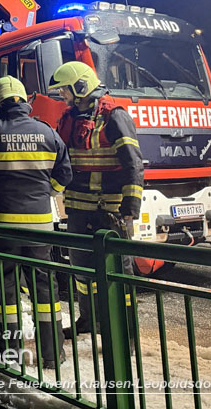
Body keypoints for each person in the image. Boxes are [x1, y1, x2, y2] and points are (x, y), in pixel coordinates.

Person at [0, 76, 72, 368]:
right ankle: (52, 355)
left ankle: (8, 356)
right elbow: (65, 173)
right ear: (25, 100)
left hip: (1, 229)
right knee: (45, 291)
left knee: (4, 292)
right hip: (40, 229)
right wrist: (49, 192)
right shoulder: (46, 132)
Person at [48, 61, 143, 338]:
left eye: (64, 90)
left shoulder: (114, 116)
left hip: (110, 210)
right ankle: (88, 320)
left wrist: (130, 208)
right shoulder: (68, 118)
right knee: (81, 271)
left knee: (118, 273)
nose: (62, 95)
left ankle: (125, 329)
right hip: (78, 209)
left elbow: (133, 164)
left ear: (80, 86)